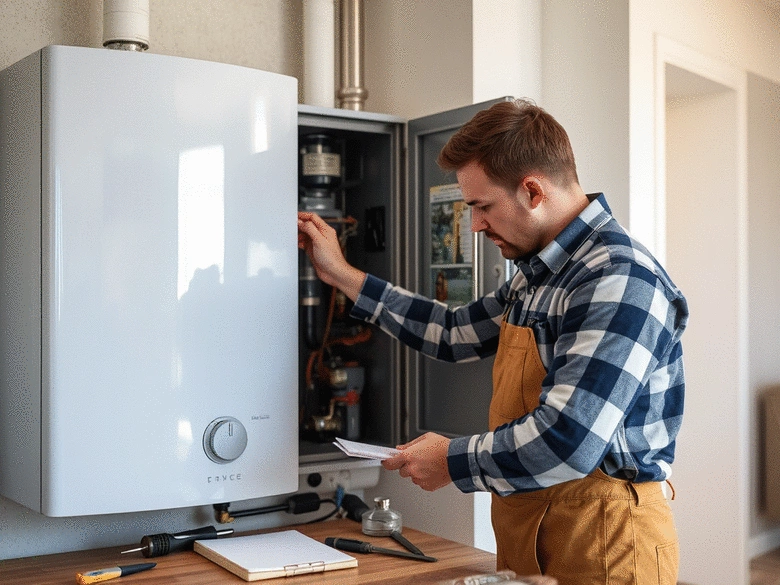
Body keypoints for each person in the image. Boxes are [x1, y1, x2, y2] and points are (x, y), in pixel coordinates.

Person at [297, 99, 688, 585]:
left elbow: (569, 440)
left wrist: (450, 460)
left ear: (532, 190)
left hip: (605, 543)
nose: (476, 226)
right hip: (536, 528)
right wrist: (343, 276)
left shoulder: (619, 279)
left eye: (483, 206)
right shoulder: (538, 274)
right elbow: (452, 330)